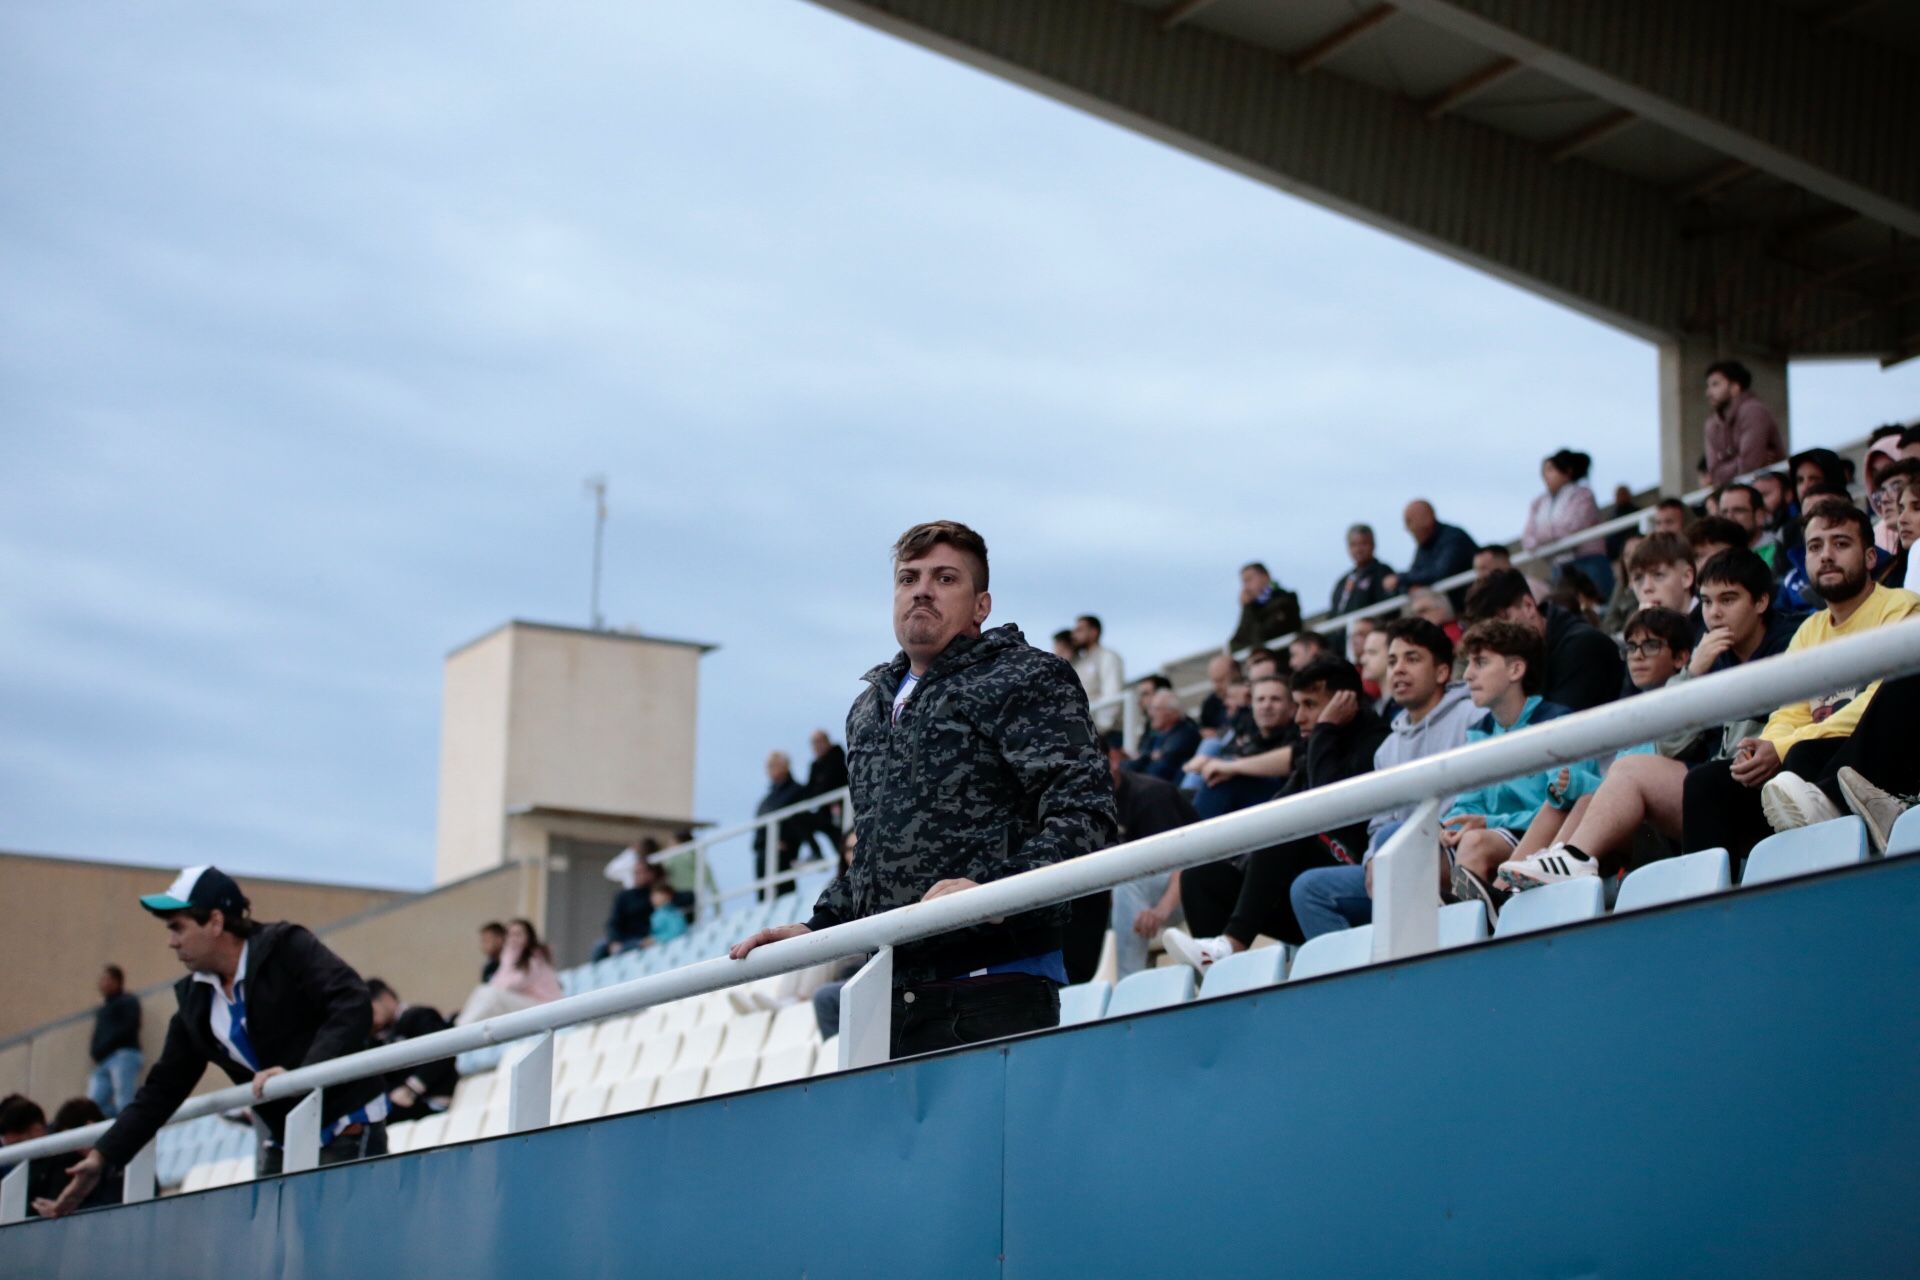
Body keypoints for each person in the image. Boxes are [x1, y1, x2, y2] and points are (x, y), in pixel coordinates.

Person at [728, 520, 1116, 1060]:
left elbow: (1086, 816)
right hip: (884, 994)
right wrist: (818, 927)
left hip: (992, 986)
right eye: (908, 577)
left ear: (981, 605)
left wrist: (992, 890)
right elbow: (875, 859)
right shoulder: (867, 710)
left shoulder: (1027, 678)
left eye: (945, 578)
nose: (922, 590)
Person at [34, 866, 386, 1216]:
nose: (171, 941)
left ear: (215, 922)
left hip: (346, 1125)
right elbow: (162, 1090)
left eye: (178, 927)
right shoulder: (196, 1001)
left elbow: (352, 1001)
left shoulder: (285, 946)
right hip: (284, 1138)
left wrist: (301, 1075)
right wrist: (102, 1157)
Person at [1493, 552, 1799, 889]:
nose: (1714, 613)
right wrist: (1693, 673)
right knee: (1605, 789)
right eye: (1708, 601)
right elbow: (1667, 742)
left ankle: (1569, 862)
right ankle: (1542, 876)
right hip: (1716, 787)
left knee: (1630, 772)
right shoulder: (1708, 655)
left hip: (1773, 783)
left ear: (1761, 601)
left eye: (1728, 600)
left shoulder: (1791, 641)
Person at [1681, 501, 1920, 860]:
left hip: (1881, 758)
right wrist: (1767, 747)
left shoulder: (1902, 607)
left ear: (1871, 557)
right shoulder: (1810, 629)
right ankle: (1705, 906)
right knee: (1706, 783)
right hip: (1808, 763)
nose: (1825, 556)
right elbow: (1789, 711)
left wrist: (1784, 746)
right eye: (1814, 547)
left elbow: (1884, 701)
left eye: (1840, 544)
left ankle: (1831, 813)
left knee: (1802, 754)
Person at [1162, 659, 1390, 968]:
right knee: (1203, 876)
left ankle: (1231, 943)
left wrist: (1324, 730)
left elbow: (1330, 807)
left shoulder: (1375, 742)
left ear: (1345, 701)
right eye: (1297, 705)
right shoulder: (1319, 743)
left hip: (1353, 879)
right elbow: (1278, 807)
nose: (1299, 717)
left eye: (1310, 705)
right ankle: (1221, 977)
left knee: (1289, 826)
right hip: (1304, 883)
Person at [1289, 618, 1478, 939]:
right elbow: (1378, 823)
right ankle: (1355, 983)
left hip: (1460, 852)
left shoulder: (1474, 716)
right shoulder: (1388, 748)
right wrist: (1373, 858)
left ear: (1443, 672)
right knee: (1309, 889)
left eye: (1412, 658)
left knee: (1393, 837)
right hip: (1400, 864)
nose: (1399, 669)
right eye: (1392, 661)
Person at [1440, 624, 1600, 923]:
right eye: (1469, 663)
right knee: (1427, 854)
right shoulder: (1479, 733)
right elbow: (1469, 804)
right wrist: (1450, 826)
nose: (1467, 675)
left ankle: (1472, 929)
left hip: (1546, 838)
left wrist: (1490, 822)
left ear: (1515, 670)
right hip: (1502, 835)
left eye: (1481, 662)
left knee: (1474, 842)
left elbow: (1564, 806)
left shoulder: (1556, 722)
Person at [1104, 737, 1203, 980]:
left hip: (1193, 889)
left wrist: (1160, 911)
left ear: (1113, 760)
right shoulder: (1090, 806)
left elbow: (1184, 862)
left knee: (1126, 886)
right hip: (1134, 897)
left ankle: (1130, 987)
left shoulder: (1151, 796)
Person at [1463, 568, 1624, 712]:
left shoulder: (1583, 647)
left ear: (1528, 606)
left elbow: (1558, 733)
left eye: (1500, 625)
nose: (1494, 639)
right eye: (1487, 633)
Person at [1189, 673, 1300, 819]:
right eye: (1260, 699)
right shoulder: (1253, 740)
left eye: (1275, 699)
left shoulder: (1301, 731)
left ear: (1292, 708)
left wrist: (1231, 767)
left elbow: (1293, 757)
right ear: (1252, 706)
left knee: (1225, 783)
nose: (1266, 705)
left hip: (1289, 810)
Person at [1524, 448, 1612, 598]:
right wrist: (1548, 536)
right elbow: (1527, 538)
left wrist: (1542, 537)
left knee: (1596, 603)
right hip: (1560, 566)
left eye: (1551, 470)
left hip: (1588, 561)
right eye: (1544, 471)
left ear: (1567, 472)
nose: (1545, 476)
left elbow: (1571, 526)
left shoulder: (1583, 495)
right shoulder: (1539, 502)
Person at [366, 979, 456, 1124]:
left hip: (432, 1099)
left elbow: (443, 1053)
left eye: (372, 1011)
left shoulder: (419, 1016)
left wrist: (411, 1089)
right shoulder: (377, 1039)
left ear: (386, 998)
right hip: (405, 1103)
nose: (371, 1020)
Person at [457, 918, 563, 1025]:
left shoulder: (535, 959)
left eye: (518, 934)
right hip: (531, 1006)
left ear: (528, 937)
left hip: (546, 1008)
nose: (513, 939)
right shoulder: (511, 958)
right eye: (509, 934)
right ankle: (459, 1026)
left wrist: (508, 958)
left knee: (491, 995)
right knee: (482, 990)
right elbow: (495, 984)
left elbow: (511, 985)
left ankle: (462, 1031)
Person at [1702, 359, 1786, 484]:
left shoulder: (1753, 411)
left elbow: (1750, 465)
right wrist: (1738, 463)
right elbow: (1714, 474)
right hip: (1732, 496)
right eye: (1708, 386)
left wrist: (1727, 467)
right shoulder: (1712, 425)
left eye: (1715, 384)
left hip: (1765, 491)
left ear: (1735, 387)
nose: (1708, 393)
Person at [752, 751, 811, 899]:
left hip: (783, 853)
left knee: (784, 893)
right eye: (768, 766)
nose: (769, 769)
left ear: (785, 766)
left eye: (773, 765)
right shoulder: (768, 798)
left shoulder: (796, 791)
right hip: (763, 853)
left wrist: (789, 843)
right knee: (764, 895)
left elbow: (801, 821)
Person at [87, 964, 142, 1119]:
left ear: (117, 981)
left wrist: (107, 1046)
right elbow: (97, 1035)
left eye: (107, 979)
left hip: (122, 1054)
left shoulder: (128, 1001)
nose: (103, 983)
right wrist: (95, 1052)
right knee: (94, 1105)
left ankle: (127, 1128)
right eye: (102, 979)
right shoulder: (103, 1009)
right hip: (103, 1059)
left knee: (123, 1099)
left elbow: (130, 1026)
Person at [593, 841, 661, 960]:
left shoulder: (658, 894)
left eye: (642, 872)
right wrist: (614, 941)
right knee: (599, 949)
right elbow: (614, 922)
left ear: (652, 874)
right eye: (636, 872)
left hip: (643, 939)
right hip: (623, 939)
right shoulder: (624, 896)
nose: (638, 876)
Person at [1395, 500, 1477, 598]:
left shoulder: (1453, 537)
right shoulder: (1423, 547)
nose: (1407, 528)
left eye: (1409, 521)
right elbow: (1414, 576)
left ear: (1427, 518)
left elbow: (1442, 573)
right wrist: (1409, 585)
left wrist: (1401, 579)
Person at [1128, 689, 1202, 783]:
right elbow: (1133, 764)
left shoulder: (1186, 735)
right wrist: (1149, 757)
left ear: (1172, 712)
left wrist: (1144, 759)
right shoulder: (1153, 736)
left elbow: (1158, 771)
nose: (1151, 713)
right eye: (1151, 708)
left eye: (1156, 709)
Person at [1229, 562, 1302, 653]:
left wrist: (1248, 608)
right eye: (1243, 582)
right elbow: (1235, 643)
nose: (1245, 587)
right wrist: (1247, 608)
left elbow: (1262, 636)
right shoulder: (1252, 607)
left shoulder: (1285, 599)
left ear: (1265, 576)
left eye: (1249, 580)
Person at [1071, 615, 1126, 734]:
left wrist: (1100, 728)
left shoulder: (1107, 657)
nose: (1074, 635)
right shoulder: (1079, 663)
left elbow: (1112, 694)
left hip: (1105, 734)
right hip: (1084, 731)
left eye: (1079, 630)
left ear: (1094, 632)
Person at [1713, 481, 1783, 573]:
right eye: (1724, 512)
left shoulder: (1779, 550)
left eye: (1738, 511)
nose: (1729, 518)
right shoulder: (1717, 557)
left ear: (1759, 516)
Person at [803, 729, 850, 857]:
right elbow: (810, 791)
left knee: (844, 841)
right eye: (813, 743)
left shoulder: (836, 758)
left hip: (841, 810)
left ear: (827, 742)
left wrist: (818, 790)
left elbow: (828, 783)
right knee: (801, 819)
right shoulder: (814, 766)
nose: (816, 746)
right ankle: (816, 853)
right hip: (825, 813)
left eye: (819, 741)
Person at [1330, 523, 1395, 615]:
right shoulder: (1343, 582)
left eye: (1363, 544)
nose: (1358, 549)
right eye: (1353, 545)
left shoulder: (1383, 572)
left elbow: (1390, 609)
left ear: (1373, 545)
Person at [1196, 653, 1240, 739]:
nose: (1216, 686)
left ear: (1236, 674)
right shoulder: (1210, 702)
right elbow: (1203, 731)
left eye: (1220, 680)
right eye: (1213, 681)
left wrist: (1218, 734)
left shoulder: (1252, 697)